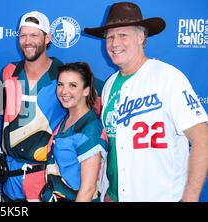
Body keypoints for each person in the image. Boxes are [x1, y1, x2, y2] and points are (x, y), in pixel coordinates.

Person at [84, 2, 208, 202]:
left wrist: (191, 197)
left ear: (141, 37)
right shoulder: (109, 85)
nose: (114, 43)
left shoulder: (168, 77)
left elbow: (203, 140)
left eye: (123, 35)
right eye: (110, 37)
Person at [0, 11, 66, 201]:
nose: (27, 41)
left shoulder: (64, 75)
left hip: (45, 178)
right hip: (10, 177)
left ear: (47, 38)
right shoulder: (9, 72)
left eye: (34, 35)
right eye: (23, 35)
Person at [40, 62, 108, 202]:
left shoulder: (89, 129)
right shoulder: (69, 117)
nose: (64, 91)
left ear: (86, 90)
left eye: (73, 85)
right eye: (60, 84)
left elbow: (88, 190)